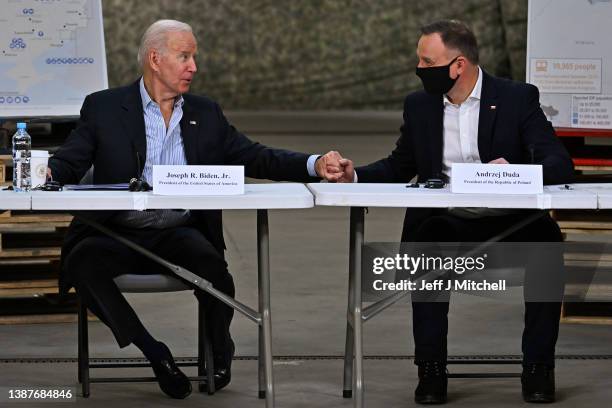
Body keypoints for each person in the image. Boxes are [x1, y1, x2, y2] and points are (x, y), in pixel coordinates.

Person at [48, 19, 345, 399]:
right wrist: (48, 171)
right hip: (116, 233)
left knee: (215, 273)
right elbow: (71, 159)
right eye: (184, 56)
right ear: (155, 59)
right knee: (82, 263)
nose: (194, 67)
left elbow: (254, 157)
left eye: (194, 57)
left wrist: (314, 164)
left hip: (177, 233)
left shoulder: (205, 113)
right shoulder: (104, 107)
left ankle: (218, 350)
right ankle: (155, 353)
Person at [335, 20, 574, 404]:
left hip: (510, 220)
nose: (419, 68)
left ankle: (538, 367)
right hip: (447, 221)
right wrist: (356, 173)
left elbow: (559, 162)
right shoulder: (420, 104)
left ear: (458, 65)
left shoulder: (516, 97)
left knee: (547, 241)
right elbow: (400, 165)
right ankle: (430, 369)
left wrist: (516, 173)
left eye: (426, 61)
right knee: (426, 241)